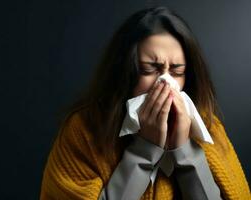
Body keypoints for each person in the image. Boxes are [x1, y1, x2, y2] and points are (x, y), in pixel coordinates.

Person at [40, 6, 250, 200]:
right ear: (126, 72)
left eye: (177, 72)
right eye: (150, 70)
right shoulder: (84, 130)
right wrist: (144, 150)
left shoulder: (209, 128)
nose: (166, 84)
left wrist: (184, 150)